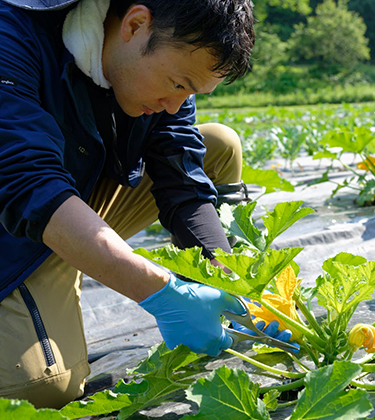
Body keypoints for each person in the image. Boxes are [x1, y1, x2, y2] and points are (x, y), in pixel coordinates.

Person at [0, 0, 294, 409]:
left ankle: (85, 254)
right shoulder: (11, 33)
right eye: (178, 84)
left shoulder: (160, 72)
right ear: (135, 24)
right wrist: (161, 291)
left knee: (217, 146)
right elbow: (26, 182)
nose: (178, 105)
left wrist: (234, 286)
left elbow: (184, 185)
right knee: (40, 388)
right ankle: (67, 266)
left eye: (191, 92)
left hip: (71, 201)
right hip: (14, 224)